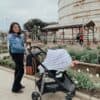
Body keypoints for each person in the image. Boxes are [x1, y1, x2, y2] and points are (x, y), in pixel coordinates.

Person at [8, 22, 25, 93]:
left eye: (18, 27)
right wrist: (24, 49)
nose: (16, 28)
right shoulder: (11, 36)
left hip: (20, 54)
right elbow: (15, 46)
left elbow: (22, 44)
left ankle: (18, 84)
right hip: (15, 54)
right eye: (15, 27)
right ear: (12, 28)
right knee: (21, 70)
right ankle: (15, 88)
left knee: (17, 69)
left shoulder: (20, 36)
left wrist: (24, 51)